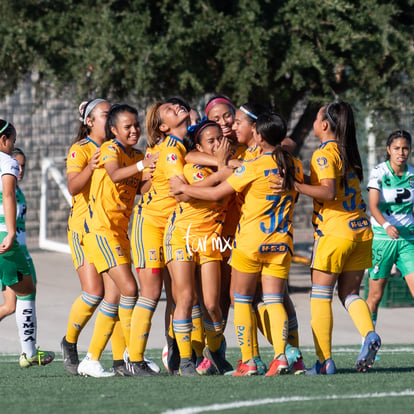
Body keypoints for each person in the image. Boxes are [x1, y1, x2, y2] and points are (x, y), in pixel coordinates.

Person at [170, 111, 303, 376]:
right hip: (281, 240)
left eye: (253, 131)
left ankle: (249, 361)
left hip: (251, 242)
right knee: (274, 299)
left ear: (260, 136)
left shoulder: (252, 166)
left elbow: (218, 194)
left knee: (240, 300)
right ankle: (282, 355)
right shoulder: (293, 165)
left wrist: (184, 191)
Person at [291, 101, 381, 374]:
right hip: (360, 231)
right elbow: (330, 185)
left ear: (325, 125)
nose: (315, 124)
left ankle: (324, 361)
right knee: (350, 294)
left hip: (335, 233)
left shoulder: (324, 153)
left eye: (317, 119)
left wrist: (294, 185)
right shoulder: (348, 152)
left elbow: (328, 192)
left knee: (319, 296)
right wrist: (303, 178)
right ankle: (370, 334)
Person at [76, 104, 158, 377]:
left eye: (136, 125)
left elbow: (139, 189)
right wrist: (141, 166)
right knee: (130, 289)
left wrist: (153, 177)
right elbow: (114, 173)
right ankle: (132, 356)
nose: (134, 130)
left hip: (120, 233)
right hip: (100, 231)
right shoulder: (111, 149)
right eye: (127, 126)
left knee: (114, 297)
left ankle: (95, 357)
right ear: (113, 130)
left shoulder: (137, 154)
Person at [61, 99, 129, 376]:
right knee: (95, 293)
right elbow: (73, 186)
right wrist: (90, 166)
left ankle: (118, 359)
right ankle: (69, 342)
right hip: (83, 229)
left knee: (117, 294)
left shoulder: (118, 149)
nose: (109, 118)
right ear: (89, 121)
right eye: (104, 114)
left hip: (110, 229)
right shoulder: (81, 149)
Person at [164, 120, 233, 376]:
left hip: (211, 240)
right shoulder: (193, 165)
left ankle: (214, 349)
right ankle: (185, 360)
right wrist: (219, 173)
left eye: (219, 139)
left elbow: (223, 186)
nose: (217, 145)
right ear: (200, 146)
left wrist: (225, 166)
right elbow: (184, 195)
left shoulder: (231, 165)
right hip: (181, 235)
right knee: (185, 298)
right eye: (210, 141)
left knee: (213, 305)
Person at [130, 100, 190, 375]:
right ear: (163, 126)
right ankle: (134, 358)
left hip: (174, 227)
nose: (177, 107)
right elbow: (181, 190)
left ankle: (174, 349)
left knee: (178, 293)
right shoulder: (167, 149)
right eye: (169, 109)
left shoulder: (180, 146)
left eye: (178, 105)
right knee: (152, 292)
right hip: (150, 226)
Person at [0, 119, 54, 367]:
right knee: (27, 290)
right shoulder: (6, 162)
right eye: (13, 141)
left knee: (13, 301)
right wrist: (10, 233)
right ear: (4, 140)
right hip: (4, 242)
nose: (13, 146)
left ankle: (29, 351)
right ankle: (30, 353)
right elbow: (8, 195)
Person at [366, 130, 414, 327]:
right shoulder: (379, 172)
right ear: (388, 150)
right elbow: (373, 206)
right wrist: (386, 225)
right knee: (375, 296)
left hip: (407, 241)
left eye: (405, 148)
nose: (401, 152)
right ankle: (367, 341)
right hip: (382, 239)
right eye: (396, 148)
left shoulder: (412, 174)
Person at [0, 148, 37, 321]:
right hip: (9, 249)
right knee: (12, 305)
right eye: (17, 165)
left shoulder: (18, 190)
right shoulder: (5, 188)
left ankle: (28, 346)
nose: (20, 170)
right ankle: (28, 347)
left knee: (16, 304)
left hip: (22, 251)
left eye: (23, 166)